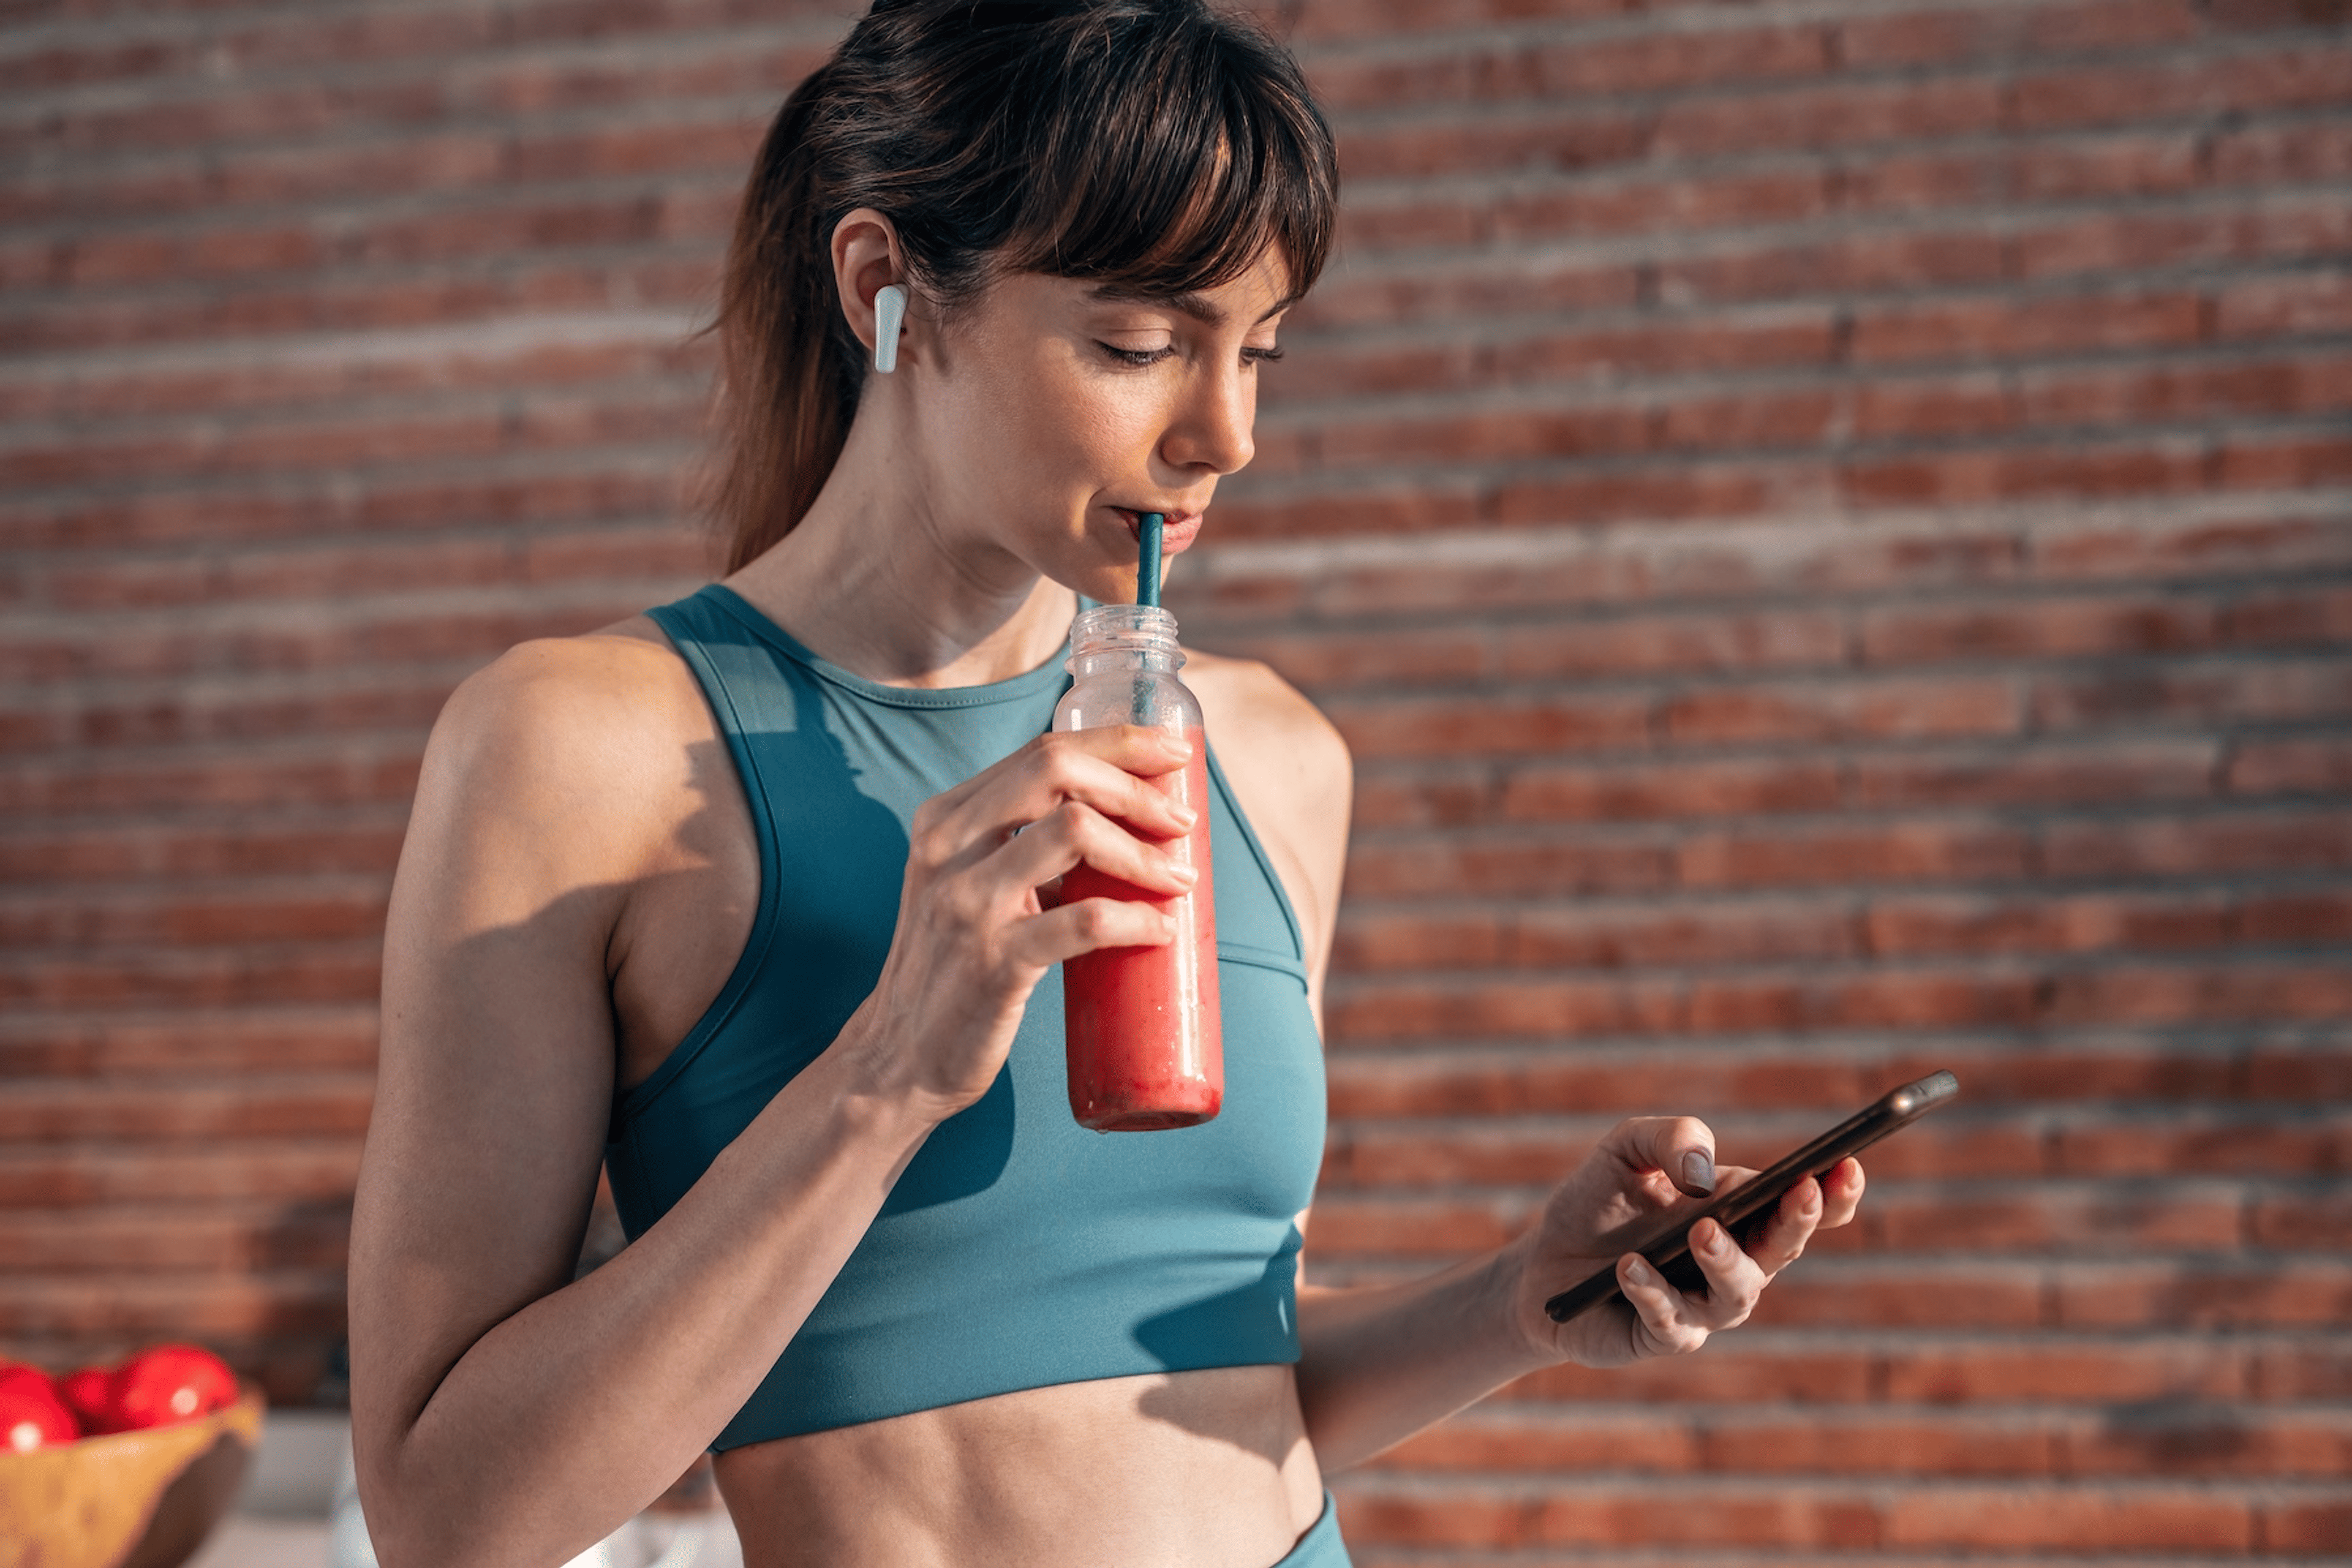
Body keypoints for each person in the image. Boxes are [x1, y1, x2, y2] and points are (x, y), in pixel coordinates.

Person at [345, 1, 1867, 1564]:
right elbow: (445, 1516)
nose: (1229, 434)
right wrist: (887, 1072)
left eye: (1259, 351)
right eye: (1139, 345)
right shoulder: (574, 754)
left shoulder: (1269, 755)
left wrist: (1520, 1301)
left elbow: (1192, 1381)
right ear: (887, 288)